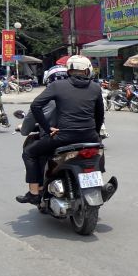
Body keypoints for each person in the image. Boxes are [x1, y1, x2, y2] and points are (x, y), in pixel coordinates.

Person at [17, 55, 105, 205]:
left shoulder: (57, 86)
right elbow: (99, 115)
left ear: (69, 70)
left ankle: (34, 193)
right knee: (97, 150)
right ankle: (100, 180)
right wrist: (94, 134)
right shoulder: (96, 88)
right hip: (89, 136)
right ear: (86, 71)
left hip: (63, 137)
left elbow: (35, 106)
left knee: (29, 152)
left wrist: (47, 128)